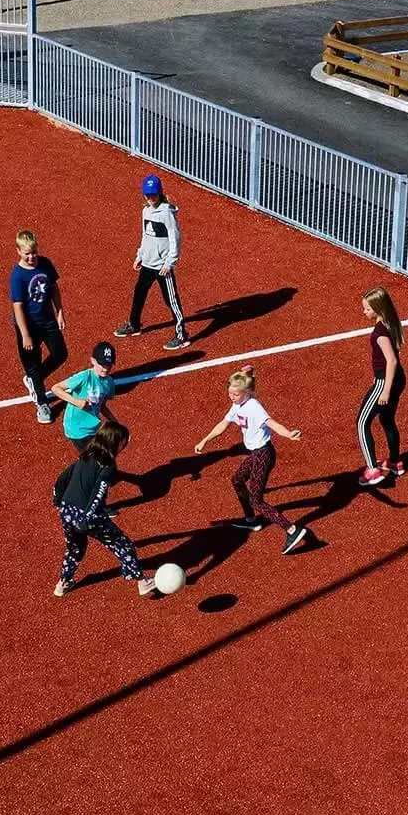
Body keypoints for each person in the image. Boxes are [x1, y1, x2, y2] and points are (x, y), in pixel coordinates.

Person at [195, 366, 311, 554]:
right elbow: (223, 424)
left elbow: (271, 423)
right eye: (230, 393)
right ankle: (251, 521)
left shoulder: (254, 407)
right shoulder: (238, 405)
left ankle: (292, 529)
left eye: (235, 394)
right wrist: (205, 440)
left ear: (246, 392)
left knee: (257, 501)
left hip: (263, 454)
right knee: (237, 480)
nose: (232, 397)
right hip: (255, 454)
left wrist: (288, 433)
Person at [52, 420, 158, 598]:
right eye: (124, 441)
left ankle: (62, 583)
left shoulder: (86, 455)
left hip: (66, 510)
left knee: (75, 549)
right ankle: (142, 581)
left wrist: (57, 499)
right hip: (88, 515)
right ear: (115, 441)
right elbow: (98, 493)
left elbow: (63, 478)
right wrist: (88, 516)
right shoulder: (107, 465)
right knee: (121, 544)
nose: (126, 445)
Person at [116, 175, 189, 351]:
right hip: (148, 263)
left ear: (160, 193)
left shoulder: (167, 213)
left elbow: (175, 239)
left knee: (170, 299)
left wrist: (169, 263)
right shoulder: (146, 211)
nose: (151, 198)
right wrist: (140, 255)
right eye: (148, 195)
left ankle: (182, 335)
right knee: (139, 293)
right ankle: (134, 325)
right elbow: (145, 236)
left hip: (163, 266)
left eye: (154, 194)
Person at [9, 229, 68, 424]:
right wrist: (25, 334)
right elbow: (17, 307)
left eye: (34, 252)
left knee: (61, 354)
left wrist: (59, 312)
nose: (31, 256)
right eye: (27, 253)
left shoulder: (45, 264)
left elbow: (54, 289)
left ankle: (34, 380)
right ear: (18, 251)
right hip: (29, 326)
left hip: (48, 321)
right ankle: (42, 404)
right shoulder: (17, 276)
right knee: (32, 364)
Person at [358, 287, 407, 485]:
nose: (364, 312)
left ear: (377, 309)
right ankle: (395, 463)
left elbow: (391, 361)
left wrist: (384, 389)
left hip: (385, 381)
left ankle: (372, 470)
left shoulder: (379, 332)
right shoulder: (390, 323)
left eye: (367, 309)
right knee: (387, 421)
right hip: (397, 380)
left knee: (362, 423)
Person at [52, 341, 118, 454]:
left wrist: (116, 424)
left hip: (93, 428)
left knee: (100, 457)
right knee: (96, 459)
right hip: (77, 429)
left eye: (109, 365)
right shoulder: (84, 377)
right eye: (102, 365)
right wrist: (76, 401)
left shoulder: (109, 383)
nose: (106, 369)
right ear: (93, 360)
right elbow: (56, 388)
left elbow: (102, 406)